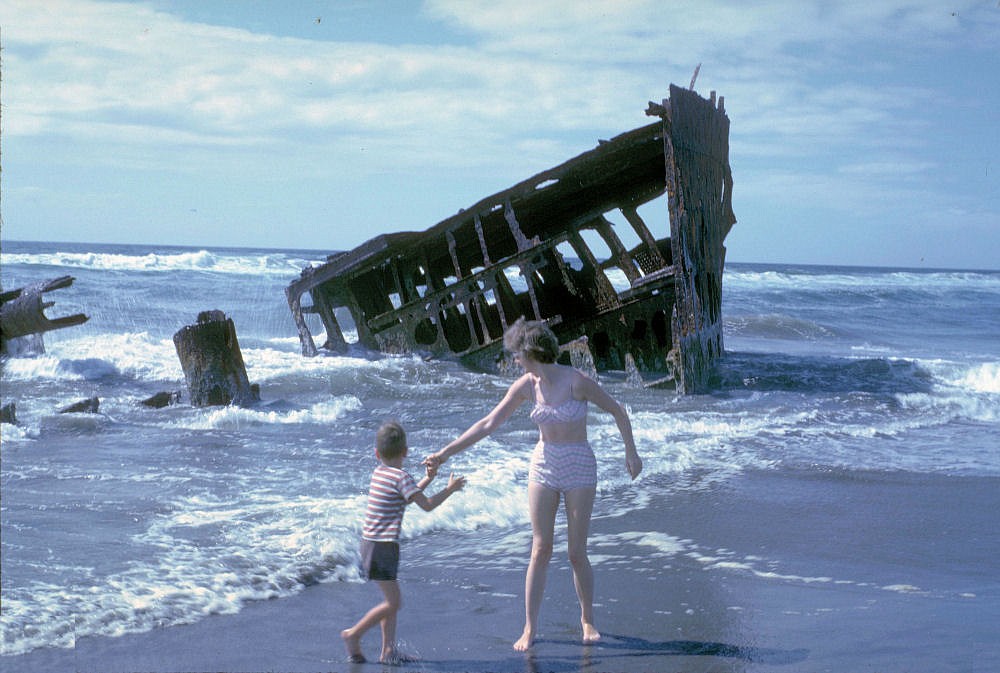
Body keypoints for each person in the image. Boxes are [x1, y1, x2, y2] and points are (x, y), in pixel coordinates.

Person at [424, 317, 642, 651]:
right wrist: (444, 453)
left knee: (575, 552)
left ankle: (587, 620)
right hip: (543, 466)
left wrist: (631, 452)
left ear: (532, 352)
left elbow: (618, 411)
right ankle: (529, 628)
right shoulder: (527, 385)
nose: (514, 360)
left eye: (516, 354)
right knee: (540, 548)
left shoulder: (576, 381)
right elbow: (487, 424)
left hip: (579, 467)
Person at [341, 420, 466, 664]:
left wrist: (428, 479)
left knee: (391, 601)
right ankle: (353, 634)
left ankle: (388, 651)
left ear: (377, 453)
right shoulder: (401, 477)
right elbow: (426, 505)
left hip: (371, 544)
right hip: (383, 547)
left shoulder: (380, 473)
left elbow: (406, 498)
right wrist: (450, 489)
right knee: (394, 602)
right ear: (406, 452)